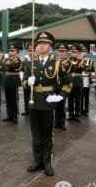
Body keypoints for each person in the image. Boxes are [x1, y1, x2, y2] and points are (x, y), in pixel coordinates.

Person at [22, 31, 67, 177]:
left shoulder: (56, 63)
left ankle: (47, 162)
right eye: (39, 43)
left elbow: (68, 82)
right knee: (36, 134)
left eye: (44, 43)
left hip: (48, 102)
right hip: (34, 102)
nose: (41, 46)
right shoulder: (30, 63)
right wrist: (28, 83)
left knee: (48, 135)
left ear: (50, 47)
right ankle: (37, 161)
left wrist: (60, 97)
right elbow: (23, 82)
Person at [3, 44, 23, 123]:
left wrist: (7, 64)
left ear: (17, 52)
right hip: (8, 80)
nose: (11, 52)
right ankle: (9, 115)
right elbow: (4, 66)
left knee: (14, 99)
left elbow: (14, 66)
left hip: (14, 79)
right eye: (10, 51)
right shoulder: (8, 59)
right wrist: (7, 64)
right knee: (8, 99)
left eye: (13, 51)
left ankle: (15, 115)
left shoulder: (18, 59)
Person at [79, 45, 95, 115]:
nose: (84, 53)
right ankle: (80, 109)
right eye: (82, 51)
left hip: (87, 80)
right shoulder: (78, 61)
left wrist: (90, 74)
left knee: (86, 96)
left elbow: (93, 72)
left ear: (87, 52)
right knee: (80, 96)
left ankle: (86, 110)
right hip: (79, 80)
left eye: (85, 51)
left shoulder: (91, 61)